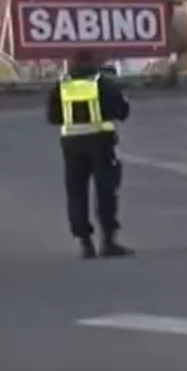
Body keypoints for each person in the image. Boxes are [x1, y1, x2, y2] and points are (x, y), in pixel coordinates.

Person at [45, 49, 133, 258]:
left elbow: (53, 117)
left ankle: (85, 242)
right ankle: (108, 241)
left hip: (72, 144)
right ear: (93, 62)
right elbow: (122, 112)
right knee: (106, 191)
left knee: (76, 192)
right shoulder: (103, 84)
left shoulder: (61, 86)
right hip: (101, 142)